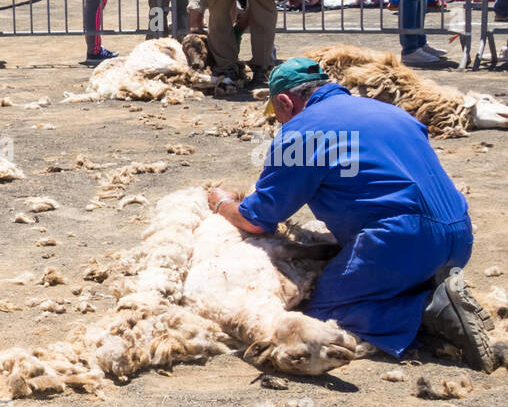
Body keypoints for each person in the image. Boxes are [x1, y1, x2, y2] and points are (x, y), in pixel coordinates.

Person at [207, 57, 494, 372]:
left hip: (399, 242)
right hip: (459, 236)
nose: (279, 124)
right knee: (385, 272)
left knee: (321, 314)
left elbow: (258, 219)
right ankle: (428, 285)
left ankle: (429, 309)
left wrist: (222, 203)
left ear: (285, 102)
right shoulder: (391, 112)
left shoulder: (302, 133)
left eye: (277, 116)